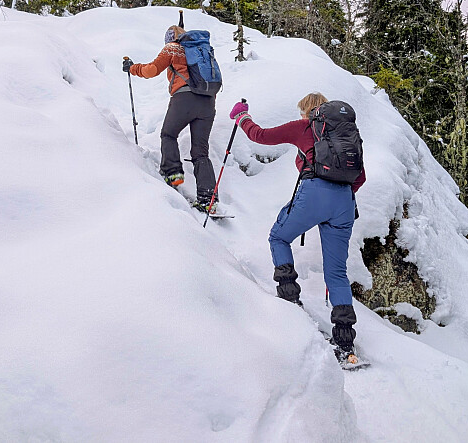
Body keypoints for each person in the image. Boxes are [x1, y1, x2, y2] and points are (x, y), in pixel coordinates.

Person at [229, 93, 366, 363]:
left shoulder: (304, 126)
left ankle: (289, 297)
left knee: (279, 237)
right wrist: (337, 199)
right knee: (337, 272)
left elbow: (260, 136)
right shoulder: (349, 134)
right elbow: (359, 177)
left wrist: (241, 116)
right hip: (345, 202)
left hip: (314, 194)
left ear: (308, 112)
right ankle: (345, 343)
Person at [124, 26, 218, 211]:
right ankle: (208, 200)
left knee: (168, 134)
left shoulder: (172, 48)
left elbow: (152, 70)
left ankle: (173, 173)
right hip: (208, 102)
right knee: (200, 152)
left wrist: (132, 68)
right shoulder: (203, 50)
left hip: (184, 98)